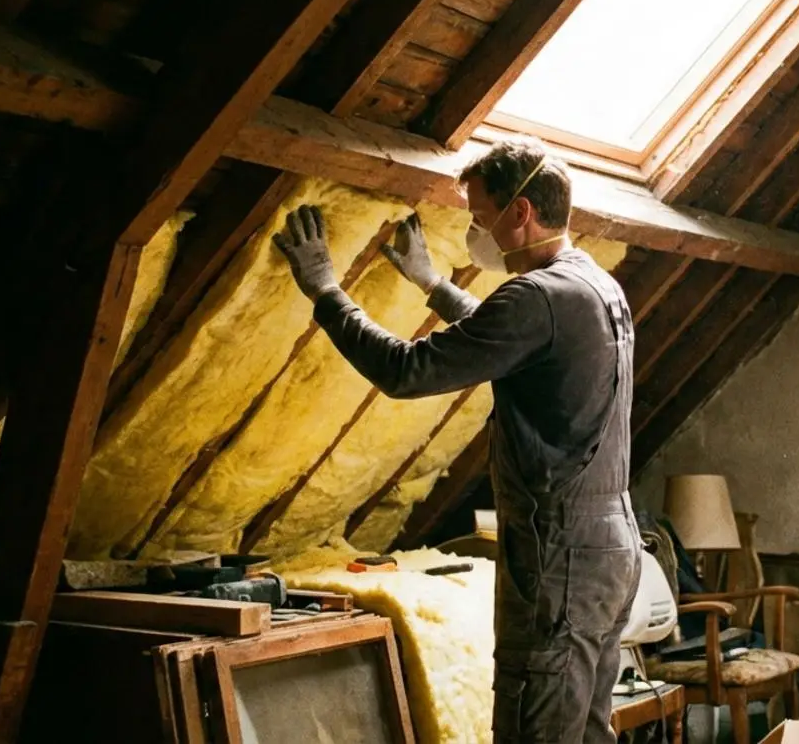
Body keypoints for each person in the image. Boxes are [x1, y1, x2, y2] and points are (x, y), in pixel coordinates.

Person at [273, 137, 642, 743]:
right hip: (609, 547)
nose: (477, 230)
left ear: (519, 213)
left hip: (560, 557)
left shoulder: (536, 295)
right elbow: (512, 342)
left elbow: (405, 370)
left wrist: (327, 292)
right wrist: (432, 284)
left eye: (479, 216)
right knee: (584, 732)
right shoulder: (594, 286)